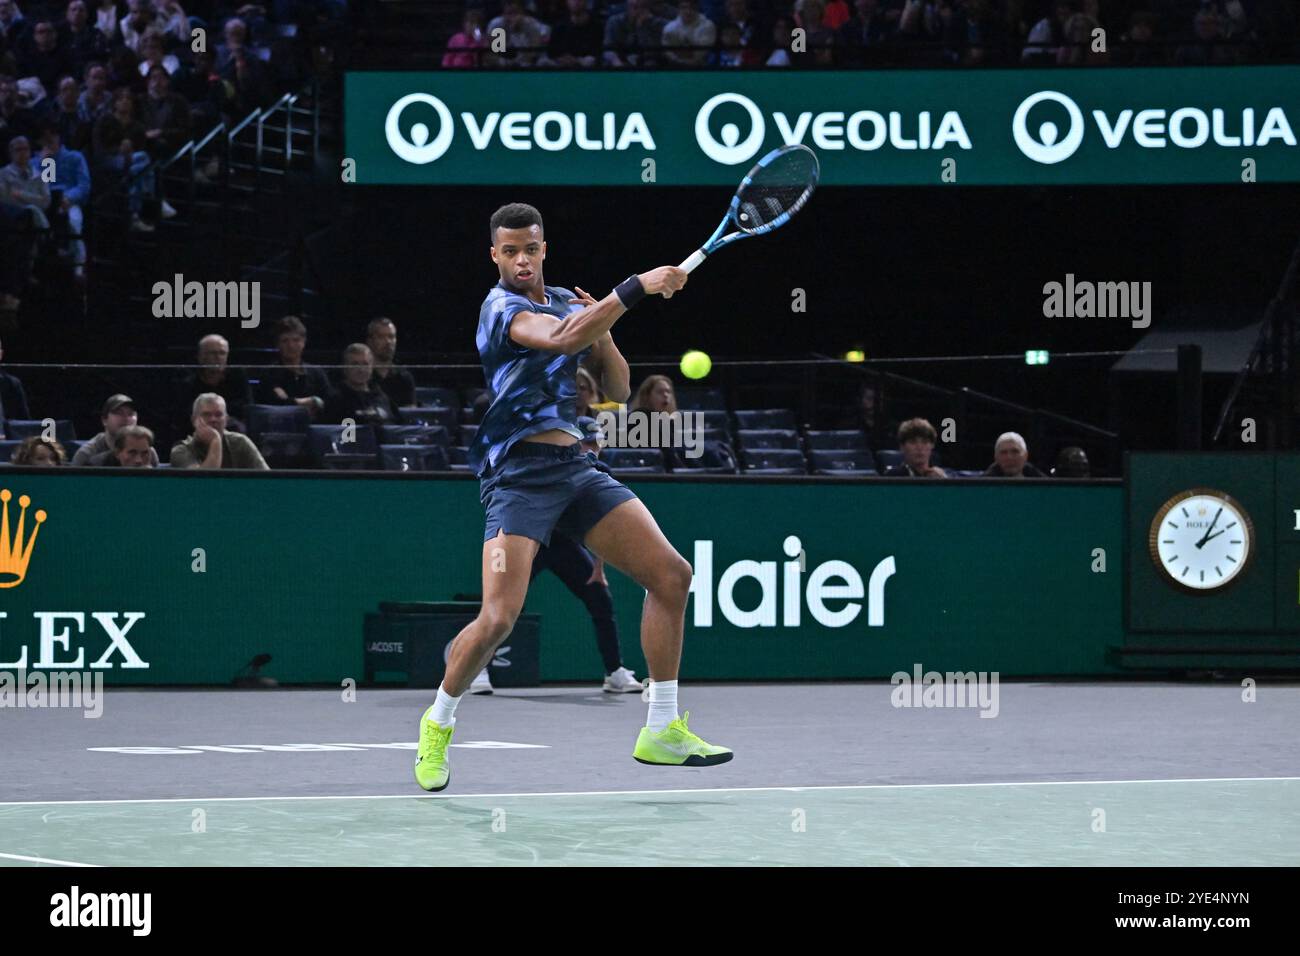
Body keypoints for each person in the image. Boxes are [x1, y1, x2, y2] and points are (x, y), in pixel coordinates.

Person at [413, 202, 731, 793]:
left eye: (530, 248)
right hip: (518, 477)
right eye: (509, 251)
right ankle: (438, 721)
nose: (522, 260)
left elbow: (616, 388)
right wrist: (637, 287)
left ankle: (661, 727)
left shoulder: (566, 301)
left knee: (670, 574)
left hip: (577, 467)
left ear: (543, 248)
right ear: (494, 255)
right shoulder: (499, 307)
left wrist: (604, 326)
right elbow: (558, 341)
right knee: (498, 618)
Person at [471, 415, 645, 696]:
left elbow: (604, 523)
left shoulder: (599, 472)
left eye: (595, 443)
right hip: (528, 542)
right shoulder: (544, 464)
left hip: (565, 548)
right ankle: (477, 670)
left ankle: (615, 672)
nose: (591, 449)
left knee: (600, 600)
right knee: (500, 610)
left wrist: (599, 568)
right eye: (585, 443)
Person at [174, 334, 253, 437]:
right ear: (200, 357)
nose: (218, 358)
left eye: (222, 353)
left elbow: (246, 407)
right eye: (213, 353)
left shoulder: (238, 377)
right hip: (196, 430)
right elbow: (184, 412)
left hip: (229, 428)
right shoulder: (188, 380)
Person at [169, 392, 269, 469]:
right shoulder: (181, 450)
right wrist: (215, 441)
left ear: (226, 420)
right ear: (194, 420)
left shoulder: (241, 443)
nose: (213, 419)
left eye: (218, 415)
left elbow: (267, 479)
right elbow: (203, 484)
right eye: (206, 415)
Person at [256, 314, 330, 415]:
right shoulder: (268, 373)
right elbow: (272, 406)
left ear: (304, 342)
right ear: (277, 344)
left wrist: (290, 401)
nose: (291, 346)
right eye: (285, 341)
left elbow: (328, 402)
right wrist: (308, 402)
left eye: (296, 340)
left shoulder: (317, 373)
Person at [72, 393, 161, 465]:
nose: (126, 418)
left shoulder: (148, 452)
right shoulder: (87, 454)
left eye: (130, 414)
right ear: (104, 420)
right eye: (119, 413)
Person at [321, 343, 395, 425]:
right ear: (345, 367)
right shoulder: (334, 399)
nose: (361, 369)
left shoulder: (382, 397)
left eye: (365, 364)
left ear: (372, 367)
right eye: (355, 364)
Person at [366, 316, 415, 409]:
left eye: (391, 337)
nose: (388, 342)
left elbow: (409, 416)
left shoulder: (404, 377)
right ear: (370, 341)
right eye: (381, 337)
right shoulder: (362, 376)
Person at [883, 417, 947, 477]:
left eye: (924, 442)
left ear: (932, 445)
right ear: (902, 447)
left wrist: (944, 482)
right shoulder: (892, 477)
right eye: (912, 442)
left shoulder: (944, 475)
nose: (919, 447)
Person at [89, 423, 155, 466]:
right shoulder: (95, 467)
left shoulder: (152, 460)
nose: (139, 460)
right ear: (117, 453)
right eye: (132, 453)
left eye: (144, 453)